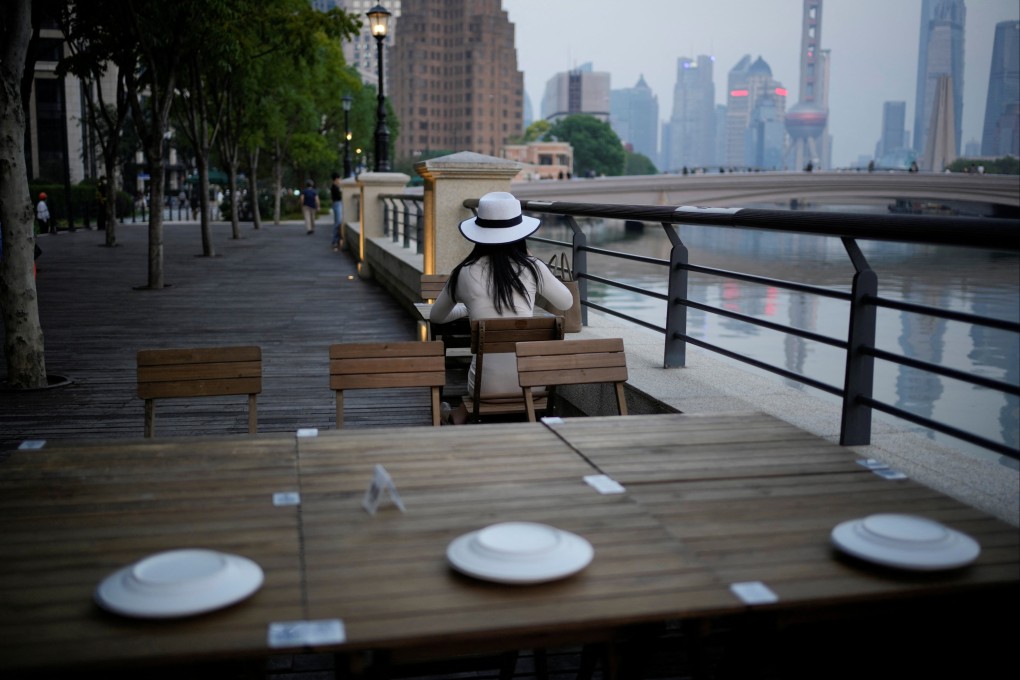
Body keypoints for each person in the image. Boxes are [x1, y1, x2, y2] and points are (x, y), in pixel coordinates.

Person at [430, 192, 574, 424]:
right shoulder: (533, 267)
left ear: (479, 233)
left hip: (484, 388)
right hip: (534, 384)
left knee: (481, 374)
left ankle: (456, 414)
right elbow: (566, 302)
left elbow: (437, 317)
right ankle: (458, 414)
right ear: (520, 234)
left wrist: (469, 310)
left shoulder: (464, 272)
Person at [329, 173, 343, 251]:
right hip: (337, 204)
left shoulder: (334, 187)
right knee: (337, 222)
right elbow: (339, 197)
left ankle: (336, 240)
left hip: (337, 204)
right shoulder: (335, 187)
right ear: (336, 179)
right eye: (339, 179)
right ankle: (335, 241)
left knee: (337, 222)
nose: (340, 180)